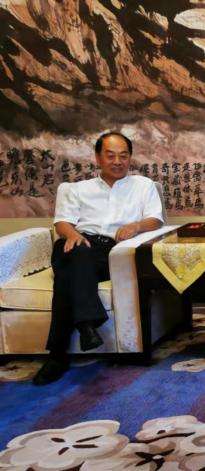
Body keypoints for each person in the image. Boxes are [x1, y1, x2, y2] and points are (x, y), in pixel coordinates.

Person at [33, 132, 164, 385]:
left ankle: (58, 356)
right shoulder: (77, 189)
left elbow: (155, 219)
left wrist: (136, 226)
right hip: (78, 245)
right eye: (111, 155)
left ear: (130, 157)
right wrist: (73, 234)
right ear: (97, 158)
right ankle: (86, 325)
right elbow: (62, 222)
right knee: (76, 251)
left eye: (123, 155)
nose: (118, 161)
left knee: (67, 279)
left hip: (113, 253)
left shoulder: (143, 185)